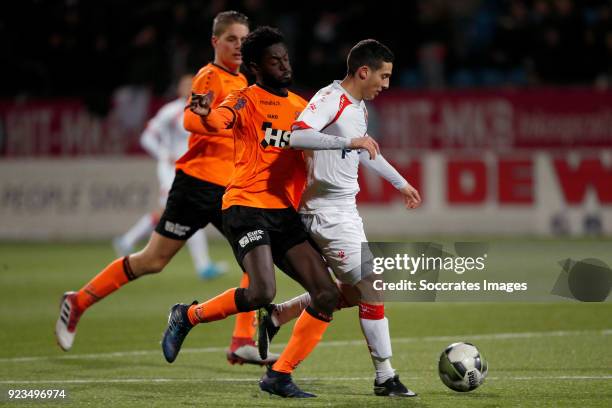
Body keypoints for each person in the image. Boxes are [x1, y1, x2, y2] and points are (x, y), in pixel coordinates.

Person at [160, 27, 379, 398]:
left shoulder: (301, 107)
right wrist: (204, 114)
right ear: (256, 66)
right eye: (274, 60)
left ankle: (278, 376)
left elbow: (321, 142)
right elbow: (218, 121)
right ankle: (187, 315)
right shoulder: (245, 99)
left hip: (284, 213)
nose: (283, 65)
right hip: (246, 206)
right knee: (261, 291)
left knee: (326, 294)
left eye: (285, 58)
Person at [55, 11, 275, 366]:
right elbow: (191, 119)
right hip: (195, 185)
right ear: (215, 42)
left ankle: (240, 341)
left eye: (243, 40)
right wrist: (218, 120)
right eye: (231, 39)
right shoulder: (209, 76)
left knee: (258, 252)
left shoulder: (243, 82)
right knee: (152, 261)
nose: (238, 46)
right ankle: (77, 302)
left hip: (229, 190)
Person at [257, 39, 422, 397]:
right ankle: (385, 376)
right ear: (364, 71)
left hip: (344, 210)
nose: (387, 84)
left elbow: (366, 151)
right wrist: (349, 144)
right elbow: (297, 136)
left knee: (346, 291)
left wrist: (401, 183)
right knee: (373, 286)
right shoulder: (332, 99)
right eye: (384, 76)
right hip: (326, 213)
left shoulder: (358, 107)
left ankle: (278, 316)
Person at [112, 73, 226, 280]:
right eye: (185, 85)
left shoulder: (206, 111)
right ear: (178, 88)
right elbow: (147, 137)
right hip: (173, 170)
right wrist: (164, 155)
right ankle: (203, 266)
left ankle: (127, 240)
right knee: (188, 211)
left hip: (194, 170)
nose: (189, 88)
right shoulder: (171, 111)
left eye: (192, 85)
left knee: (182, 212)